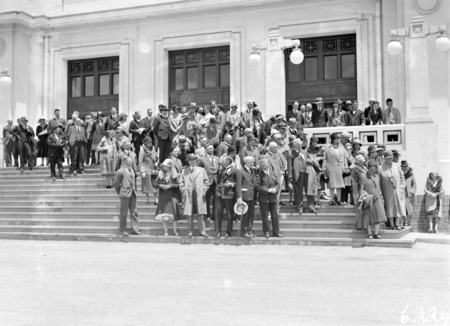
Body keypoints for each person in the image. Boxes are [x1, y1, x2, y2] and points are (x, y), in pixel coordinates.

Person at [179, 153, 209, 237]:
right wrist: (183, 190)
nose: (192, 162)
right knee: (189, 213)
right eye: (190, 160)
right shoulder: (184, 171)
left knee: (200, 213)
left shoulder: (202, 170)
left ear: (196, 160)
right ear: (188, 162)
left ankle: (202, 231)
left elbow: (206, 182)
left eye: (194, 160)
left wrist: (204, 190)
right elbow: (181, 182)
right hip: (188, 194)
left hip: (199, 193)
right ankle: (190, 231)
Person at [113, 157, 143, 236]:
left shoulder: (132, 170)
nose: (131, 162)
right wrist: (120, 191)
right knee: (123, 213)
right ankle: (122, 230)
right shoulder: (120, 171)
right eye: (129, 161)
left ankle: (135, 229)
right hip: (125, 193)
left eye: (131, 161)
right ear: (125, 162)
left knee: (134, 212)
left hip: (132, 193)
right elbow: (116, 183)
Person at [358, 160, 388, 239]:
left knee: (378, 217)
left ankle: (376, 233)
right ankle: (369, 233)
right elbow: (361, 190)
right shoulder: (364, 177)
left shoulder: (377, 177)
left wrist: (380, 196)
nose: (373, 168)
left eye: (375, 167)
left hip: (377, 199)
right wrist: (366, 197)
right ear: (368, 167)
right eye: (371, 167)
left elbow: (379, 187)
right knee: (369, 218)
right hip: (368, 200)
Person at [378, 150, 406, 230]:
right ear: (384, 159)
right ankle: (391, 224)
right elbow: (379, 181)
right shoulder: (380, 168)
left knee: (398, 207)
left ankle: (397, 224)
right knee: (389, 208)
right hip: (387, 191)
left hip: (397, 190)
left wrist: (402, 187)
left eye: (391, 158)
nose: (390, 160)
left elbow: (402, 178)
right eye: (388, 158)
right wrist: (380, 193)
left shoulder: (397, 166)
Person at [255, 157, 282, 238]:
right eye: (263, 165)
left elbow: (277, 183)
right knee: (265, 217)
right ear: (261, 165)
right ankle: (266, 232)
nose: (265, 166)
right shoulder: (258, 175)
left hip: (273, 198)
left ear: (268, 165)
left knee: (275, 216)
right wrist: (268, 190)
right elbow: (257, 186)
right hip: (264, 199)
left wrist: (275, 189)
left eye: (266, 164)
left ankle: (276, 232)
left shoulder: (273, 173)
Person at [154, 159, 181, 236]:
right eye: (163, 165)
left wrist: (170, 186)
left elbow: (178, 185)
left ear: (169, 166)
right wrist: (160, 185)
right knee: (163, 214)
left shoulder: (175, 175)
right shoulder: (160, 174)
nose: (164, 167)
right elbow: (155, 184)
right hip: (163, 196)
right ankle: (165, 230)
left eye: (165, 166)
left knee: (174, 214)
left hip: (172, 197)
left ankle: (175, 230)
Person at [215, 156, 238, 238]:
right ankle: (218, 231)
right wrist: (218, 189)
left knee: (229, 214)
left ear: (228, 161)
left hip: (229, 194)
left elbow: (238, 183)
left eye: (223, 161)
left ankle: (228, 231)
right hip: (220, 194)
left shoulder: (235, 170)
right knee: (218, 213)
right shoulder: (221, 170)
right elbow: (218, 181)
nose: (222, 162)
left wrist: (231, 184)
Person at [323, 133, 347, 205]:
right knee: (332, 184)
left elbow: (345, 157)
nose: (338, 140)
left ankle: (339, 199)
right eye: (336, 138)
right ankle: (331, 199)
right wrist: (324, 168)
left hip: (340, 167)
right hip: (331, 167)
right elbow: (325, 158)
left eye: (338, 138)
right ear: (333, 139)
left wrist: (346, 167)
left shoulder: (341, 147)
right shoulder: (328, 147)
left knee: (339, 184)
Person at [197, 144, 219, 222]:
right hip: (206, 181)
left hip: (216, 181)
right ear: (206, 150)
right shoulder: (202, 159)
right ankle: (207, 215)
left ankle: (215, 215)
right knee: (207, 199)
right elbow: (199, 170)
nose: (212, 149)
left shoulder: (217, 158)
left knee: (216, 199)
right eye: (210, 148)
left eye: (212, 148)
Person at [236, 156, 257, 238]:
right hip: (244, 196)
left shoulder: (252, 171)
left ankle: (249, 231)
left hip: (252, 196)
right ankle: (244, 231)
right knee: (245, 215)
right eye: (251, 162)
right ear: (246, 162)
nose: (252, 164)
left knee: (251, 215)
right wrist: (239, 197)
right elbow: (238, 185)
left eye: (253, 162)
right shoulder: (240, 171)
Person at [139, 137, 158, 205]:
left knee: (155, 185)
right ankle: (147, 199)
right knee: (146, 185)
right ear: (146, 143)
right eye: (149, 142)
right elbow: (140, 161)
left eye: (151, 142)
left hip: (153, 169)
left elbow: (155, 156)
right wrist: (142, 171)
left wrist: (156, 162)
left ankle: (155, 199)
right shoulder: (142, 150)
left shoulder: (153, 148)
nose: (150, 144)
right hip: (146, 169)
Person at [350, 154, 368, 229]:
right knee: (358, 207)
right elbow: (354, 179)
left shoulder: (363, 167)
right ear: (358, 162)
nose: (363, 162)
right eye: (361, 161)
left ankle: (364, 224)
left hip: (364, 189)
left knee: (364, 206)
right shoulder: (354, 168)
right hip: (357, 189)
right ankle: (358, 225)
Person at [401, 160, 416, 226]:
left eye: (406, 166)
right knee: (402, 208)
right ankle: (402, 222)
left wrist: (412, 192)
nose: (405, 167)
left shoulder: (411, 174)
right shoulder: (400, 173)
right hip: (401, 194)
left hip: (408, 194)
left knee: (409, 209)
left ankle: (407, 222)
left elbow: (414, 184)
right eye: (404, 166)